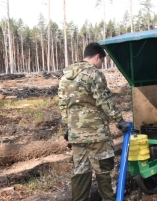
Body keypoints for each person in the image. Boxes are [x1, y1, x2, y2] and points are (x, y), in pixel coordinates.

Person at [58, 42, 130, 201]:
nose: (101, 65)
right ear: (98, 57)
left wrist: (68, 126)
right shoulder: (93, 73)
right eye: (102, 61)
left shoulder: (66, 75)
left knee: (81, 171)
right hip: (96, 133)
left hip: (76, 134)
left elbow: (63, 104)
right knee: (104, 170)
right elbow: (104, 100)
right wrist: (120, 120)